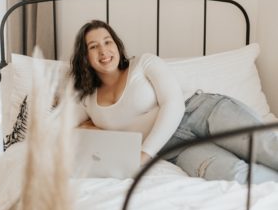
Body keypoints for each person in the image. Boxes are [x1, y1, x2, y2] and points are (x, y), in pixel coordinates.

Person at [70, 19, 278, 184]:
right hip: (176, 149)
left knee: (266, 148)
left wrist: (145, 153)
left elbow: (173, 103)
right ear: (85, 57)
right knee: (234, 174)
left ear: (117, 45)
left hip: (200, 112)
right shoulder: (87, 100)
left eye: (108, 42)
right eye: (93, 46)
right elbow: (56, 124)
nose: (104, 50)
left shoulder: (144, 63)